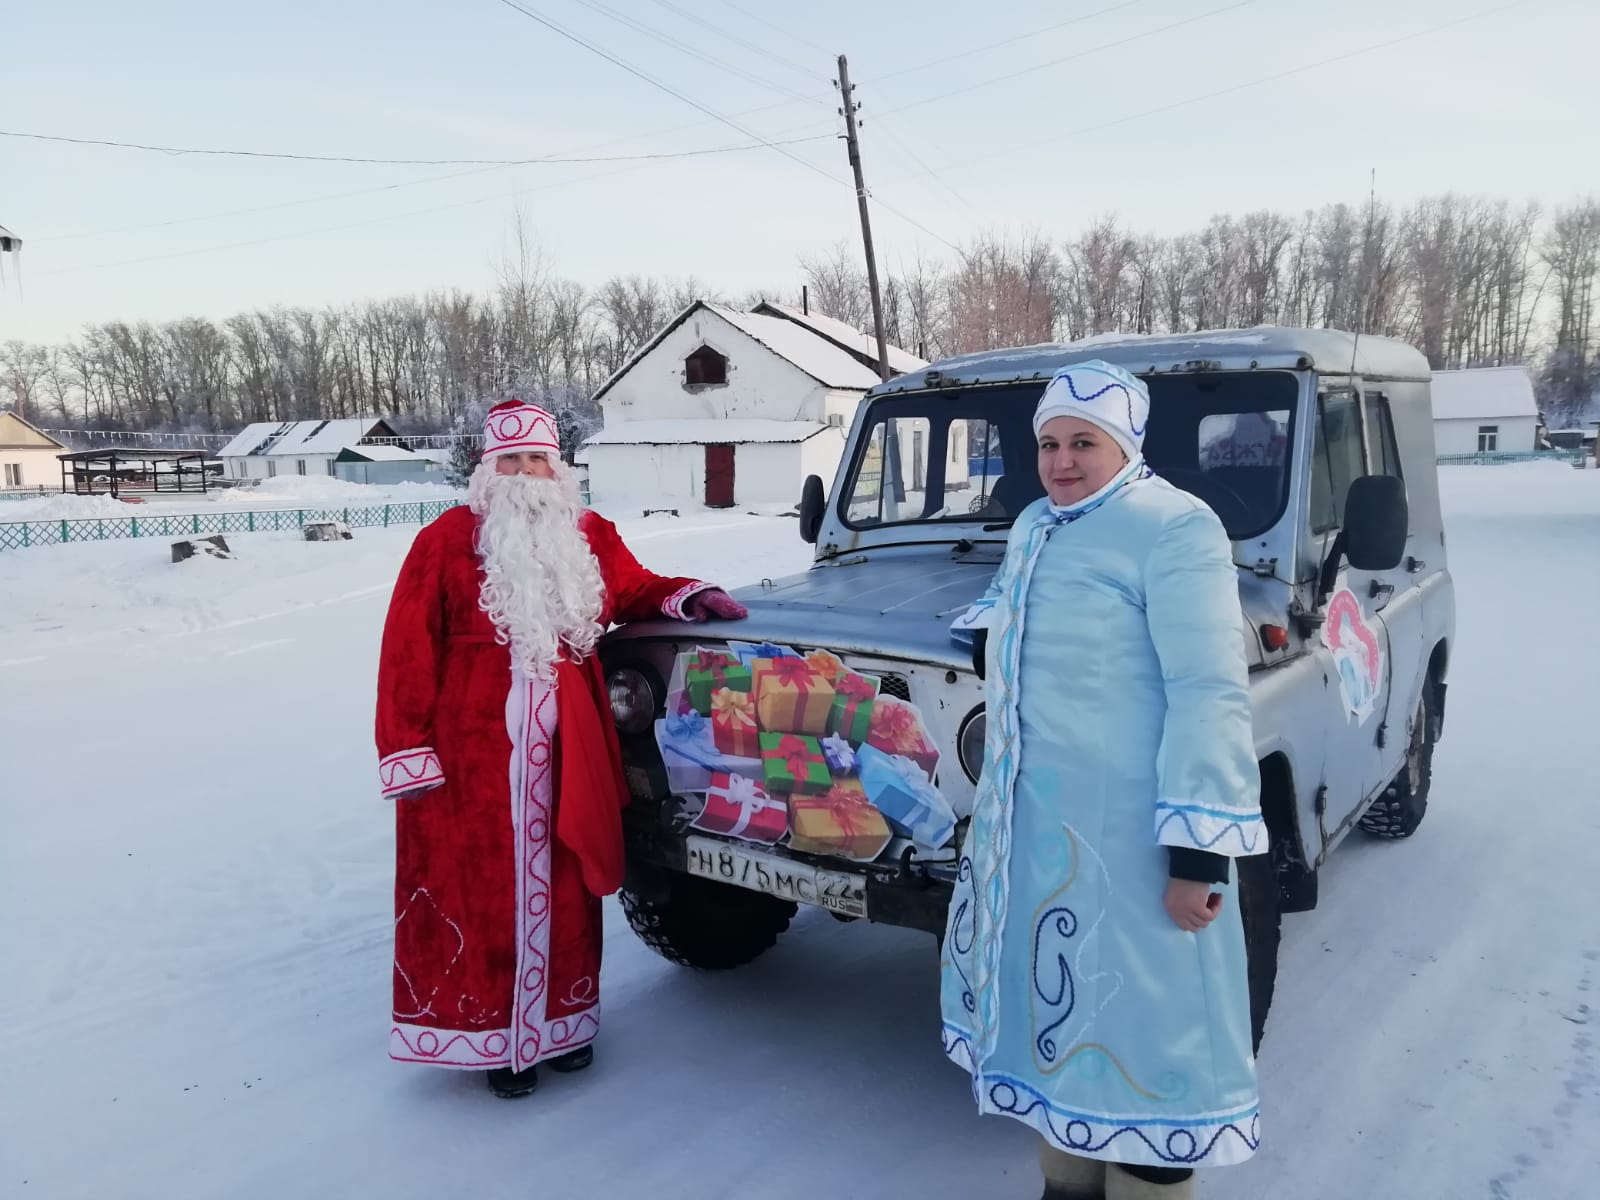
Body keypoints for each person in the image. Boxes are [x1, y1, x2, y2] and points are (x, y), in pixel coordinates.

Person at [941, 362, 1265, 1199]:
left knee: (1148, 1040)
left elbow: (1209, 689)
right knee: (1056, 1041)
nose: (1061, 460)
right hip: (1040, 845)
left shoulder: (1174, 526)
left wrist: (1199, 853)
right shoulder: (1036, 524)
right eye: (1049, 442)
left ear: (1126, 444)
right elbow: (1018, 604)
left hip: (1132, 849)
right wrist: (993, 633)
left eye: (1084, 442)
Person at [374, 398, 747, 1099]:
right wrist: (407, 748)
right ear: (489, 469)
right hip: (471, 750)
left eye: (537, 460)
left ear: (558, 469)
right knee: (481, 887)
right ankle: (496, 1039)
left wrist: (690, 597)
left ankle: (563, 1025)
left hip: (569, 736)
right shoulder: (445, 540)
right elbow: (406, 649)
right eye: (511, 461)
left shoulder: (586, 533)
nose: (525, 474)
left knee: (567, 872)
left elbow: (632, 587)